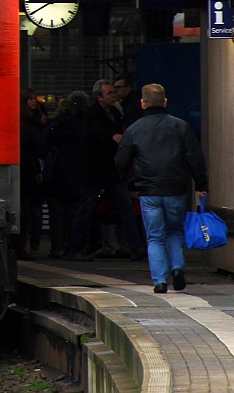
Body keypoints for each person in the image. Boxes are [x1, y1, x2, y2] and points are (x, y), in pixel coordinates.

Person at [115, 83, 209, 294]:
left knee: (155, 237)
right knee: (174, 231)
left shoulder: (134, 129)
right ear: (165, 102)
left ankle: (159, 280)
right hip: (175, 188)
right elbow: (195, 158)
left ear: (142, 103)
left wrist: (126, 177)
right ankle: (177, 268)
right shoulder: (181, 126)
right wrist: (201, 184)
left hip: (149, 191)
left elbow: (121, 162)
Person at [71, 80, 146, 260]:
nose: (114, 95)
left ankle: (135, 246)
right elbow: (95, 132)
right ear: (99, 97)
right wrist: (112, 136)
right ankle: (76, 248)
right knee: (87, 209)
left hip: (112, 170)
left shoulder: (114, 112)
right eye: (109, 93)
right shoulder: (93, 114)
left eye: (114, 92)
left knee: (125, 207)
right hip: (95, 170)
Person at [41, 94, 86, 259]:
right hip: (75, 175)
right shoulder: (80, 128)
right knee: (73, 214)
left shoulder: (53, 127)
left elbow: (43, 148)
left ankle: (57, 247)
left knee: (56, 214)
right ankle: (73, 248)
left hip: (56, 175)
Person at [18, 87, 47, 258]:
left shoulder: (33, 120)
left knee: (31, 207)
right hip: (26, 166)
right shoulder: (25, 122)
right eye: (30, 99)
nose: (34, 101)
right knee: (27, 207)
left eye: (35, 98)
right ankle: (25, 244)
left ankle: (29, 243)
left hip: (31, 165)